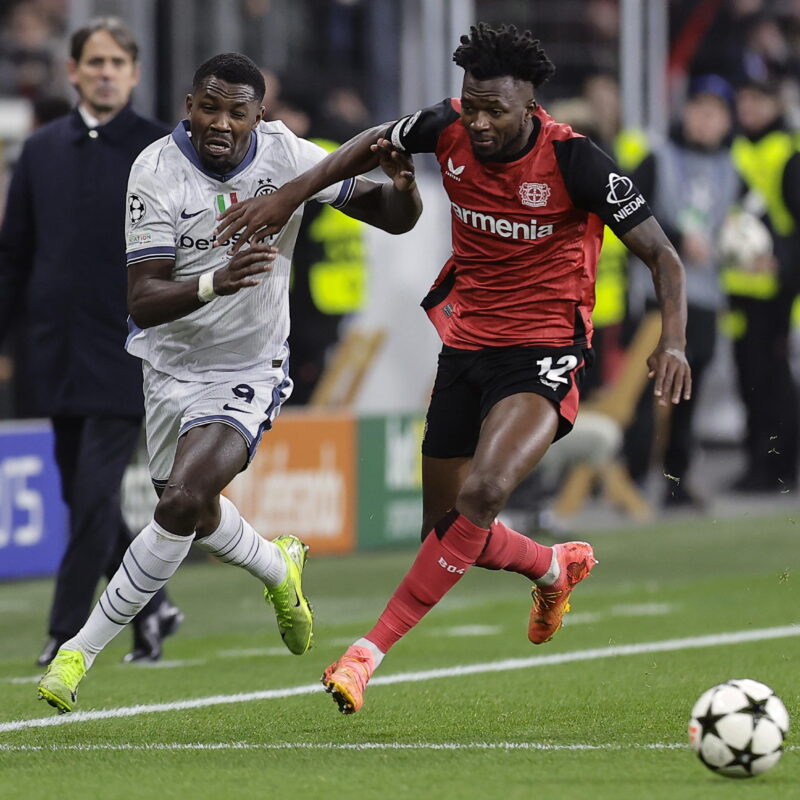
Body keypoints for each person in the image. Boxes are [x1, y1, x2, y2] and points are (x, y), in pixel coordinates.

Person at [216, 24, 692, 715]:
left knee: (486, 492)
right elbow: (368, 145)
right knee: (444, 533)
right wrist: (290, 197)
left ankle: (363, 655)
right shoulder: (446, 127)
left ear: (529, 106)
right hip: (466, 345)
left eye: (494, 109)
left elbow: (664, 258)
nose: (479, 120)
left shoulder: (579, 162)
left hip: (544, 350)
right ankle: (554, 566)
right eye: (472, 104)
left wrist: (672, 341)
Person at [35, 52, 421, 714]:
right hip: (169, 365)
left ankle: (77, 651)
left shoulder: (285, 153)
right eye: (209, 107)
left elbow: (393, 215)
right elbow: (143, 298)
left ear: (258, 116)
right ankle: (278, 567)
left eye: (236, 111)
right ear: (189, 106)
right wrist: (217, 280)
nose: (220, 122)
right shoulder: (155, 172)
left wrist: (405, 186)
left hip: (249, 365)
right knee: (192, 507)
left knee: (180, 501)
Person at [0, 17, 182, 667]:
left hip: (129, 349)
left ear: (133, 74)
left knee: (96, 493)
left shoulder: (163, 148)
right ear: (73, 70)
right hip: (52, 350)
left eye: (117, 63)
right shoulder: (42, 150)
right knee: (81, 495)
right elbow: (14, 254)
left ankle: (67, 631)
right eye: (94, 62)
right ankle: (153, 604)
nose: (106, 72)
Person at [623, 76, 740, 508]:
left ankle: (677, 480)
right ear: (686, 111)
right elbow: (628, 215)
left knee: (689, 394)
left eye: (716, 112)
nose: (706, 119)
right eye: (699, 109)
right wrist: (674, 237)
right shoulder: (658, 159)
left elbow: (739, 223)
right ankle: (629, 478)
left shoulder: (733, 169)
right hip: (657, 297)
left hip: (704, 298)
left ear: (727, 121)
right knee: (642, 390)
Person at [724, 78, 800, 493]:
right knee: (748, 377)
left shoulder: (788, 152)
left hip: (776, 290)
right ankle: (758, 462)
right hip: (737, 287)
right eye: (744, 98)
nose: (748, 106)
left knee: (772, 380)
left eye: (757, 98)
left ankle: (777, 467)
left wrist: (785, 267)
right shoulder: (735, 148)